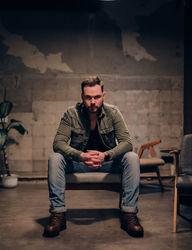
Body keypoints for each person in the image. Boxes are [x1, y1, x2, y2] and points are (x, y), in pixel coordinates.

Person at [44, 76, 144, 238]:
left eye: (97, 97)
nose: (92, 102)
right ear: (82, 96)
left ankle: (129, 214)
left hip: (107, 162)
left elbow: (126, 142)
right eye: (88, 97)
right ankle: (58, 214)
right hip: (79, 163)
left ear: (103, 96)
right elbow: (58, 143)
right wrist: (81, 156)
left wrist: (106, 155)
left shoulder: (113, 112)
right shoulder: (71, 113)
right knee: (55, 158)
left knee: (131, 157)